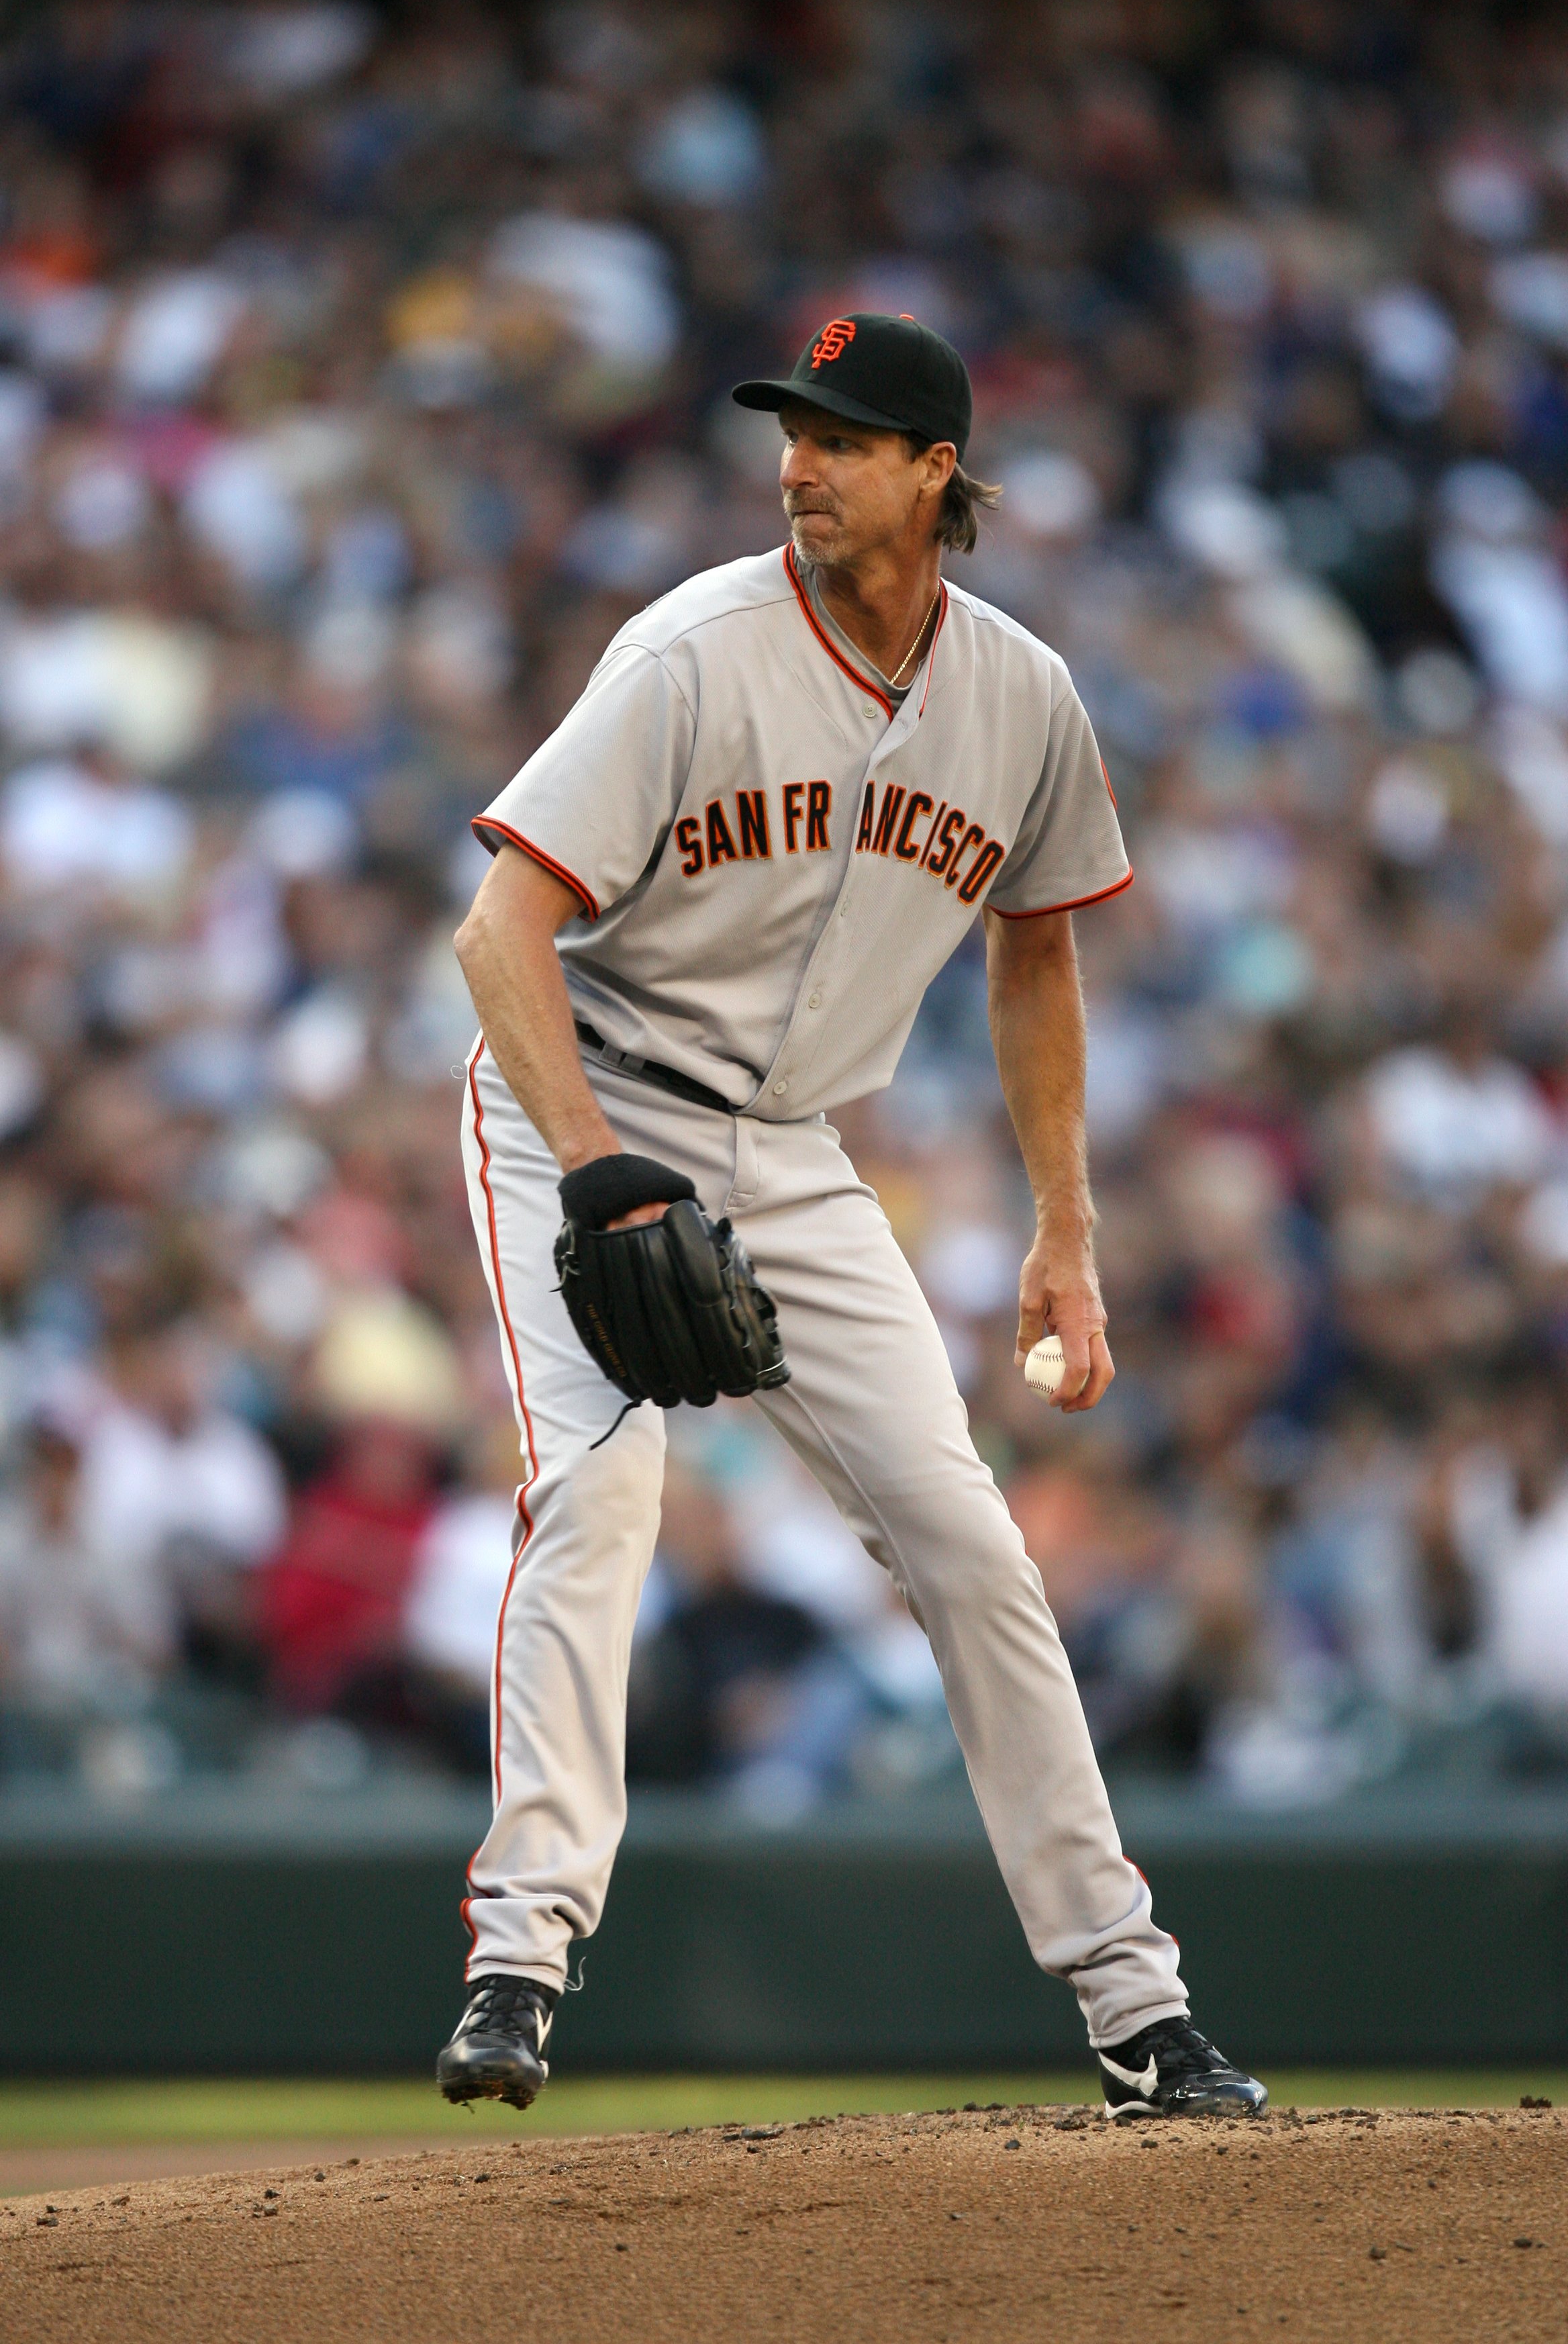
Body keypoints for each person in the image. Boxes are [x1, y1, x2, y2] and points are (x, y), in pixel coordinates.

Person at [439, 314, 1265, 2122]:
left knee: (971, 1550)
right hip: (586, 1095)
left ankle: (1139, 2013)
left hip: (798, 1148)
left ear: (934, 473)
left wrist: (1068, 1231)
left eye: (842, 437)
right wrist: (592, 1170)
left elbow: (1036, 961)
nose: (799, 463)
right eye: (790, 432)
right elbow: (498, 930)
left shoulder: (1023, 697)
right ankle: (520, 1951)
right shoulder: (691, 652)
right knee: (604, 1491)